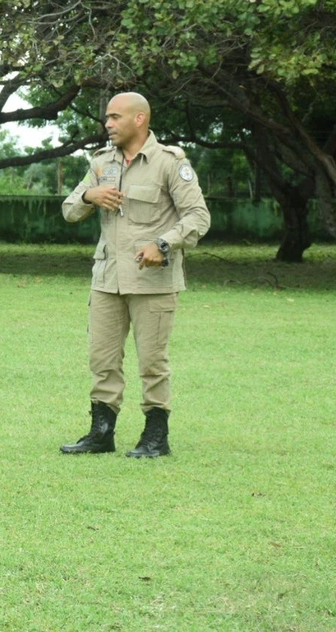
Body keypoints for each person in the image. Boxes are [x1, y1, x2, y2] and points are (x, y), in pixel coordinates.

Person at [59, 92, 210, 458]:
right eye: (107, 118)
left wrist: (164, 243)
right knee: (102, 358)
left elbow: (198, 217)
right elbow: (69, 211)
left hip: (153, 282)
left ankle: (156, 437)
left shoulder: (169, 163)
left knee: (152, 363)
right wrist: (90, 196)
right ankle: (102, 433)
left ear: (139, 119)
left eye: (114, 117)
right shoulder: (100, 162)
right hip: (107, 279)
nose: (107, 124)